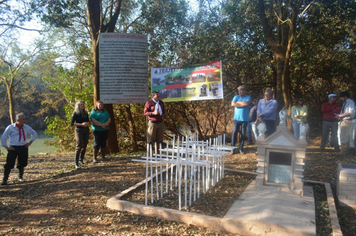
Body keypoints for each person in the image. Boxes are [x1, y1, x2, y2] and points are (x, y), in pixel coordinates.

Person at [1, 113, 37, 185]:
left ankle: (20, 177)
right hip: (13, 148)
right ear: (18, 120)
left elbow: (34, 133)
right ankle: (5, 179)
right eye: (23, 119)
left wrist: (30, 142)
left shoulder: (26, 127)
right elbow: (3, 137)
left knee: (22, 163)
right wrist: (6, 147)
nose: (24, 121)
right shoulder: (10, 127)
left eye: (24, 119)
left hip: (23, 147)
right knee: (9, 164)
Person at [231, 85, 251, 154]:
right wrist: (242, 104)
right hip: (236, 119)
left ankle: (241, 148)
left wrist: (238, 103)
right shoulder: (236, 97)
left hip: (245, 119)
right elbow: (233, 104)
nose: (240, 92)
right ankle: (232, 148)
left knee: (243, 133)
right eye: (239, 90)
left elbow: (247, 103)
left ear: (244, 91)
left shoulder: (248, 97)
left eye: (242, 90)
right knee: (234, 133)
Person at [71, 101, 90, 169]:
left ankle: (80, 160)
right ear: (78, 106)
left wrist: (86, 123)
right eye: (81, 105)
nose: (82, 106)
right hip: (79, 130)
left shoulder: (85, 112)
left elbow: (88, 120)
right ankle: (76, 163)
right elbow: (72, 123)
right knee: (79, 145)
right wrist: (81, 124)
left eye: (83, 104)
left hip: (86, 130)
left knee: (84, 145)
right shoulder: (75, 113)